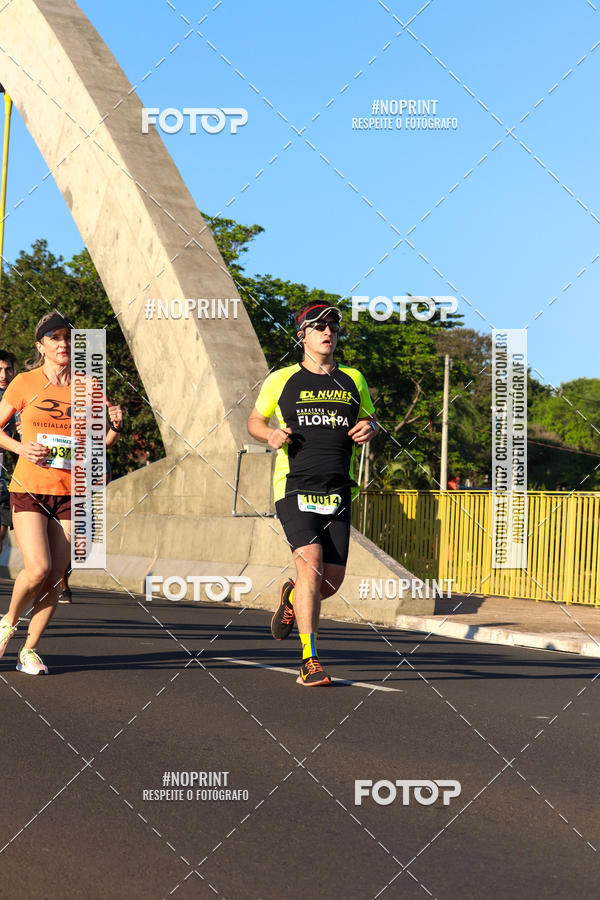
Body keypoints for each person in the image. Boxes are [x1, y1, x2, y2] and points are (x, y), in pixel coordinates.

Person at [247, 302, 379, 686]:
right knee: (311, 563)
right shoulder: (282, 379)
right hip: (294, 486)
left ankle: (291, 600)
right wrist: (269, 434)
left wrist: (370, 427)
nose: (328, 333)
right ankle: (309, 660)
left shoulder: (353, 378)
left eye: (334, 329)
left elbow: (368, 418)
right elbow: (255, 420)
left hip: (338, 489)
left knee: (330, 583)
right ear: (302, 335)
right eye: (319, 327)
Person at [57, 400, 123, 603]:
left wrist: (91, 488)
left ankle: (61, 573)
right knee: (66, 542)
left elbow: (106, 468)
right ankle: (62, 584)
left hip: (85, 500)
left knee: (84, 549)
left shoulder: (93, 442)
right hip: (61, 498)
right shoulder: (62, 441)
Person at [0, 350, 17, 554]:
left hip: (3, 479)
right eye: (0, 370)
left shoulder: (18, 397)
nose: (4, 375)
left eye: (8, 369)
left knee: (2, 527)